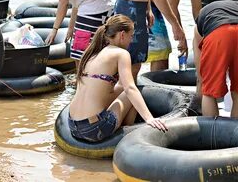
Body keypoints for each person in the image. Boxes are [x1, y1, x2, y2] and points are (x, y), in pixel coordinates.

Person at [68, 14, 167, 142]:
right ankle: (127, 135)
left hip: (73, 126)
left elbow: (116, 88)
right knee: (131, 93)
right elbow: (129, 88)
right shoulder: (122, 54)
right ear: (122, 35)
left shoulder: (93, 53)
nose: (131, 40)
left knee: (122, 90)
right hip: (94, 129)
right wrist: (149, 118)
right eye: (131, 36)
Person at [193, 0, 238, 118]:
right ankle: (234, 135)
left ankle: (211, 134)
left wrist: (202, 83)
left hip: (219, 33)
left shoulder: (200, 22)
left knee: (209, 92)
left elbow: (199, 60)